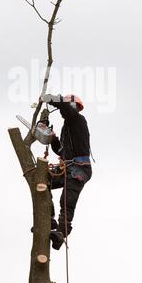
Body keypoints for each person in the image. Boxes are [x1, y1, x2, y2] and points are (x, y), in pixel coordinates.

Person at [42, 93, 92, 250]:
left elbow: (65, 110)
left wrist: (51, 98)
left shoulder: (77, 120)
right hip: (69, 166)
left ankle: (61, 232)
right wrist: (53, 140)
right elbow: (62, 151)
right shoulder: (68, 128)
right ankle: (49, 220)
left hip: (79, 168)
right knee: (44, 180)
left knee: (66, 200)